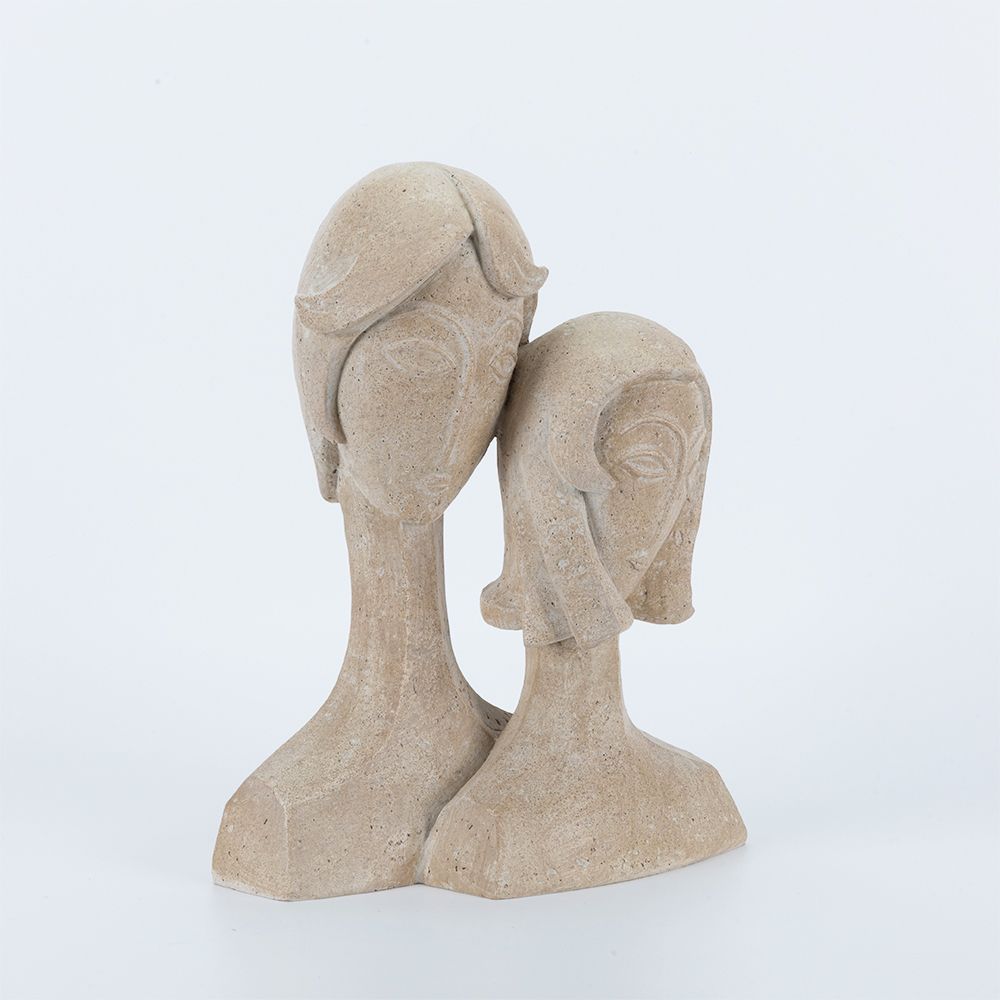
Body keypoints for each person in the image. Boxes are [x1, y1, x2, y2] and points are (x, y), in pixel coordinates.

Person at [213, 163, 546, 899]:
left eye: (497, 359)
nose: (463, 407)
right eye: (418, 357)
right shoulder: (287, 816)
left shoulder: (523, 762)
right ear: (324, 382)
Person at [420, 312, 746, 898]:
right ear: (546, 472)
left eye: (688, 466)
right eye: (648, 463)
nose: (669, 503)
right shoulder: (491, 825)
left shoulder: (697, 790)